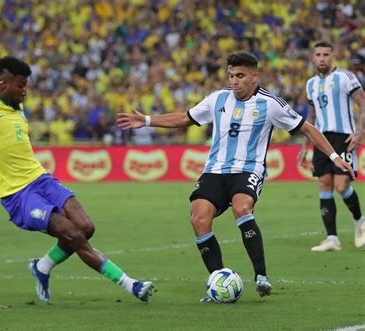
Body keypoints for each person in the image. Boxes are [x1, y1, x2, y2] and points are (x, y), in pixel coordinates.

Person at [117, 51, 355, 301]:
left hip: (249, 169)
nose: (234, 81)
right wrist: (145, 120)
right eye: (231, 75)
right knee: (199, 219)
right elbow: (185, 118)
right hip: (215, 170)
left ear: (255, 76)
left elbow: (307, 128)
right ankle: (218, 279)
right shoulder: (218, 98)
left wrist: (334, 157)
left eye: (240, 76)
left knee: (242, 208)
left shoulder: (271, 104)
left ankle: (261, 276)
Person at [0, 56, 154, 303]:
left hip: (41, 179)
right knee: (72, 234)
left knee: (86, 228)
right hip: (18, 193)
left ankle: (42, 267)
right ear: (2, 83)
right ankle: (131, 285)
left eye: (25, 85)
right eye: (20, 85)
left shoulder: (17, 108)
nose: (25, 91)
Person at [298, 41, 365, 251]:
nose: (322, 58)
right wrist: (304, 146)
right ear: (313, 57)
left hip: (343, 137)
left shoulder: (345, 77)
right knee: (324, 185)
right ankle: (332, 239)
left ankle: (360, 222)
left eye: (326, 54)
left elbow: (362, 103)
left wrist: (360, 132)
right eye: (318, 54)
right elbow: (311, 117)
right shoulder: (310, 84)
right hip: (320, 139)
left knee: (341, 186)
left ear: (333, 56)